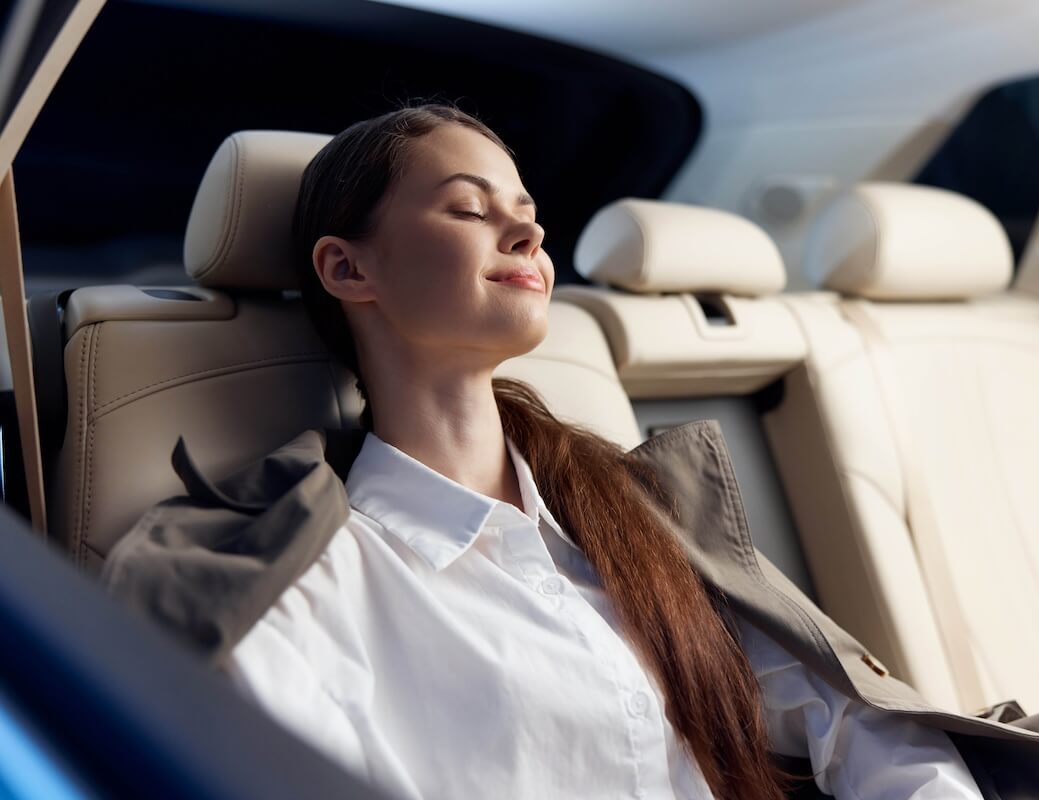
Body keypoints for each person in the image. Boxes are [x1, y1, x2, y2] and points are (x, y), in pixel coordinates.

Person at [215, 104, 984, 799]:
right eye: (469, 208)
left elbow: (856, 718)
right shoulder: (316, 586)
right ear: (347, 269)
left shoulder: (625, 517)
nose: (528, 234)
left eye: (527, 213)